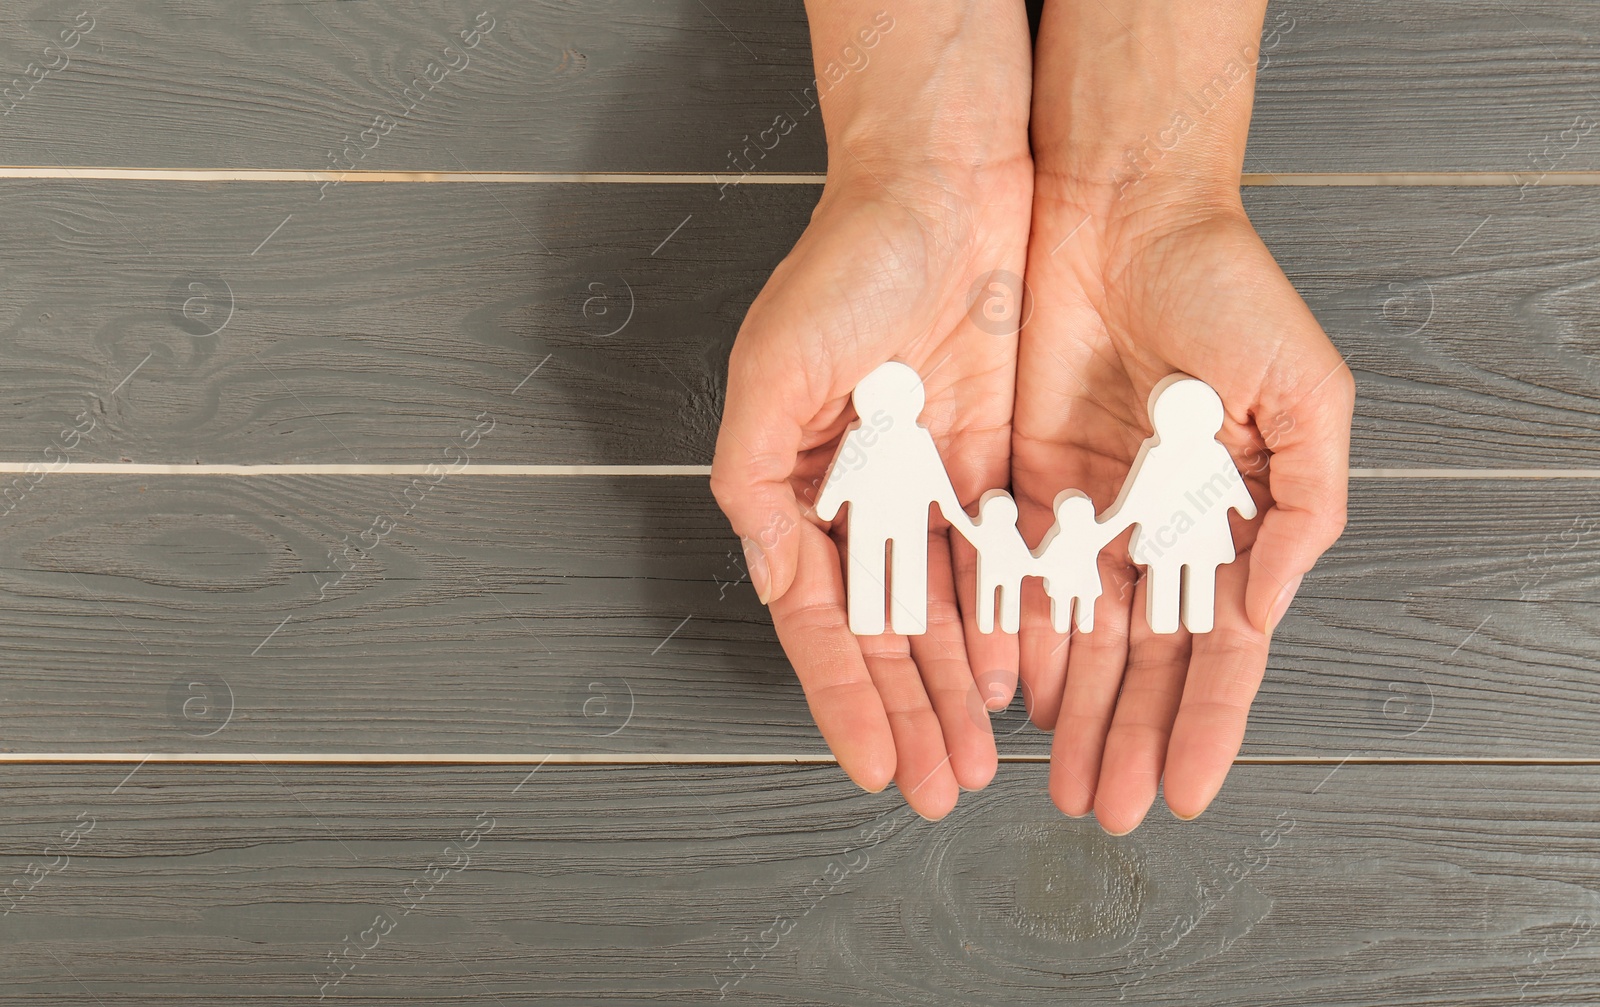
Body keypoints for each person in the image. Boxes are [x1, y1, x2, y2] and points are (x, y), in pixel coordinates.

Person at [709, 0, 1354, 831]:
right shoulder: (882, 443)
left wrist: (1158, 184)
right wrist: (917, 161)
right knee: (892, 584)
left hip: (1120, 534)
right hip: (897, 523)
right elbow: (934, 493)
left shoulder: (1162, 457)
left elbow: (1125, 495)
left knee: (1151, 594)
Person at [814, 361, 971, 635]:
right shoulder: (865, 438)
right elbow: (843, 473)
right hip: (886, 516)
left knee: (895, 563)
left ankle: (894, 617)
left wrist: (827, 507)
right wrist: (952, 510)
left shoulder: (907, 438)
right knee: (882, 563)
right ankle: (877, 617)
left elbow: (934, 478)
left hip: (893, 517)